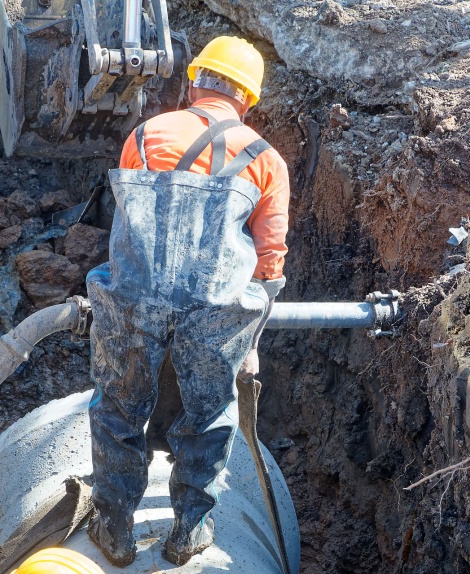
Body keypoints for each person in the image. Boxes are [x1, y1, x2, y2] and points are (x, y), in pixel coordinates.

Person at [84, 36, 290, 567]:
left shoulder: (147, 134)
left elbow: (127, 220)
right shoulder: (268, 161)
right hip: (216, 309)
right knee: (210, 414)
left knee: (118, 406)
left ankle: (113, 528)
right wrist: (251, 336)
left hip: (135, 297)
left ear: (195, 81)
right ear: (249, 99)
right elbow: (269, 261)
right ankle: (190, 532)